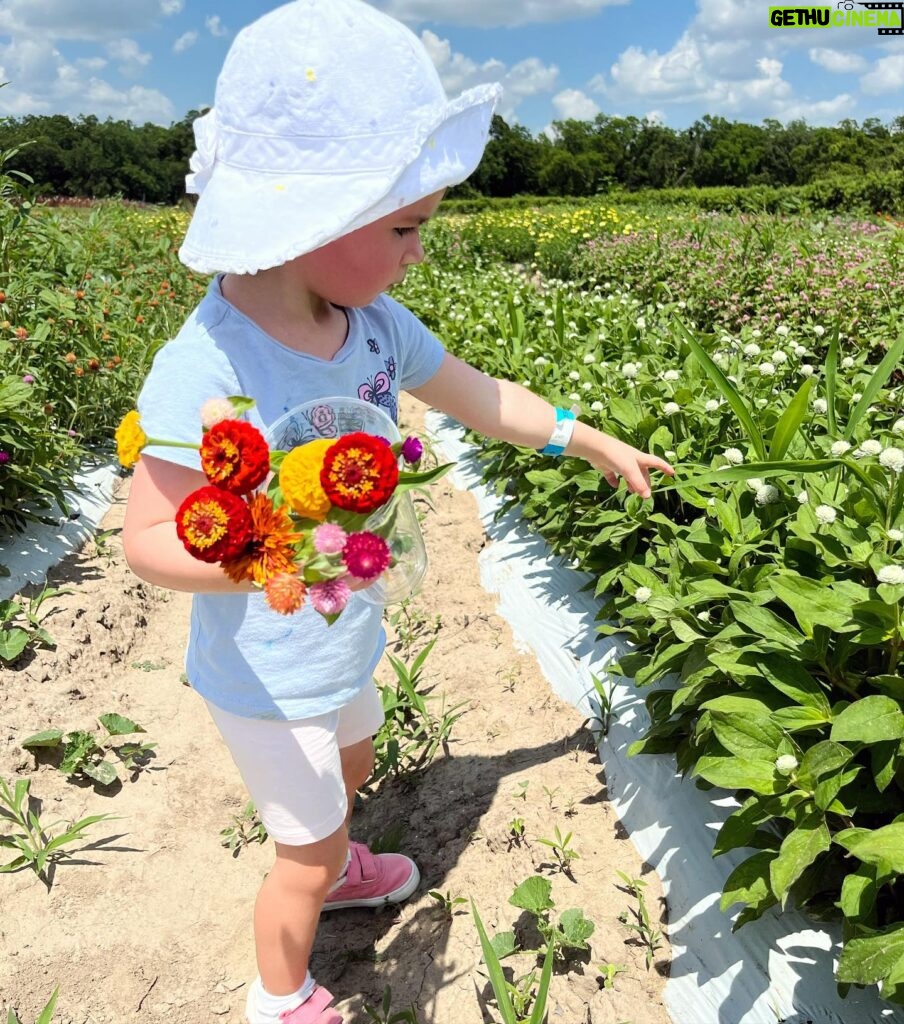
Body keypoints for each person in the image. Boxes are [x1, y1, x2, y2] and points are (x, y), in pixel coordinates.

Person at [121, 2, 674, 1022]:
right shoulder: (207, 368)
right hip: (266, 667)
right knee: (305, 843)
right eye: (406, 228)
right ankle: (278, 990)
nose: (421, 251)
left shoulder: (372, 324)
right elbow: (147, 540)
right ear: (316, 221)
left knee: (359, 756)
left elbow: (474, 394)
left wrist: (581, 436)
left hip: (339, 633)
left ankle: (334, 860)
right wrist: (267, 554)